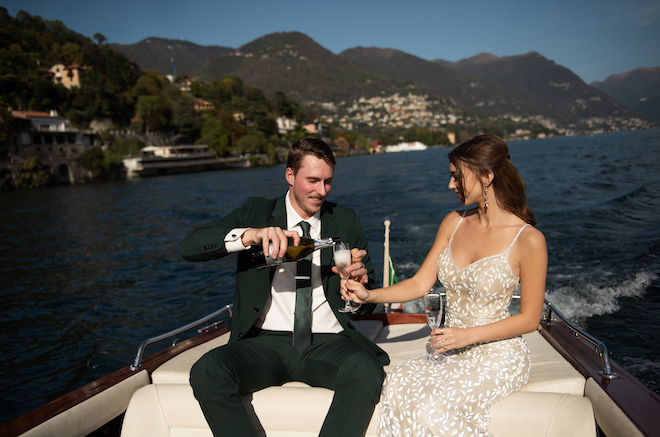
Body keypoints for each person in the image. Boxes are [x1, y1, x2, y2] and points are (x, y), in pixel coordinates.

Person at [180, 138, 389, 437]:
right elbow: (190, 246)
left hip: (329, 341)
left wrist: (357, 292)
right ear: (290, 175)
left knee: (366, 369)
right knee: (208, 371)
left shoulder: (345, 219)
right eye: (313, 181)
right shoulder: (257, 212)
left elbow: (369, 302)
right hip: (263, 342)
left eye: (328, 181)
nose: (322, 191)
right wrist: (251, 236)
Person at [344, 134, 548, 436]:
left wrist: (466, 336)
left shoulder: (529, 239)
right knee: (397, 382)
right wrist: (368, 294)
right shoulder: (453, 222)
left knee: (429, 406)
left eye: (456, 177)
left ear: (487, 176)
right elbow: (419, 283)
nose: (450, 185)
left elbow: (530, 319)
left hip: (499, 356)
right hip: (451, 348)